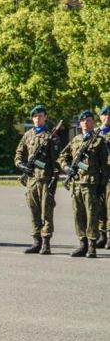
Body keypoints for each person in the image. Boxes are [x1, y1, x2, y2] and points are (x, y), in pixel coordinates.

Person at [58, 110, 108, 258]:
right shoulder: (76, 140)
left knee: (92, 215)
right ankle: (82, 244)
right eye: (83, 120)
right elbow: (62, 156)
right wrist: (66, 167)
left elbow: (105, 166)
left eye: (89, 120)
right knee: (78, 215)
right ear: (80, 123)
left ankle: (92, 245)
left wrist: (102, 185)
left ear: (93, 122)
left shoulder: (99, 141)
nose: (86, 123)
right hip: (76, 183)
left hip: (91, 184)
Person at [14, 104, 60, 255]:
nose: (37, 118)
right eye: (35, 116)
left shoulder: (51, 135)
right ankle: (36, 241)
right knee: (34, 210)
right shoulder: (28, 135)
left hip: (46, 179)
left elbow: (56, 160)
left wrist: (54, 180)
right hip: (32, 179)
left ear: (45, 117)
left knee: (47, 211)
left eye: (40, 116)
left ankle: (46, 243)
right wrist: (22, 166)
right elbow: (19, 154)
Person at [95, 106, 110, 248]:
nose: (107, 117)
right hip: (96, 176)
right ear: (100, 117)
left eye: (109, 115)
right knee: (99, 207)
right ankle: (102, 235)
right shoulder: (94, 133)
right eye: (105, 115)